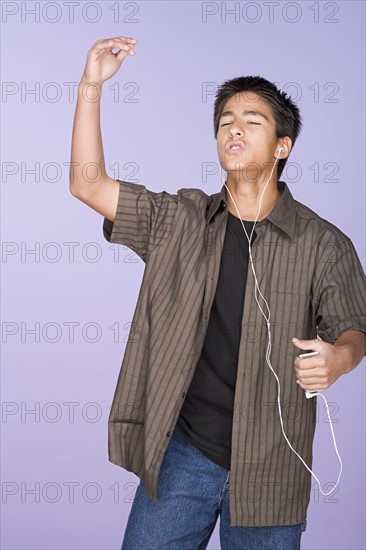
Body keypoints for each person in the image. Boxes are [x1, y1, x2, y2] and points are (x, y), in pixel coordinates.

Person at [70, 36, 366, 550]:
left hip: (273, 463)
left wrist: (340, 357)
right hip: (184, 453)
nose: (235, 126)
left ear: (282, 146)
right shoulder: (179, 220)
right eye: (226, 118)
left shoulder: (325, 243)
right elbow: (88, 184)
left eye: (253, 120)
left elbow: (354, 328)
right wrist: (92, 84)